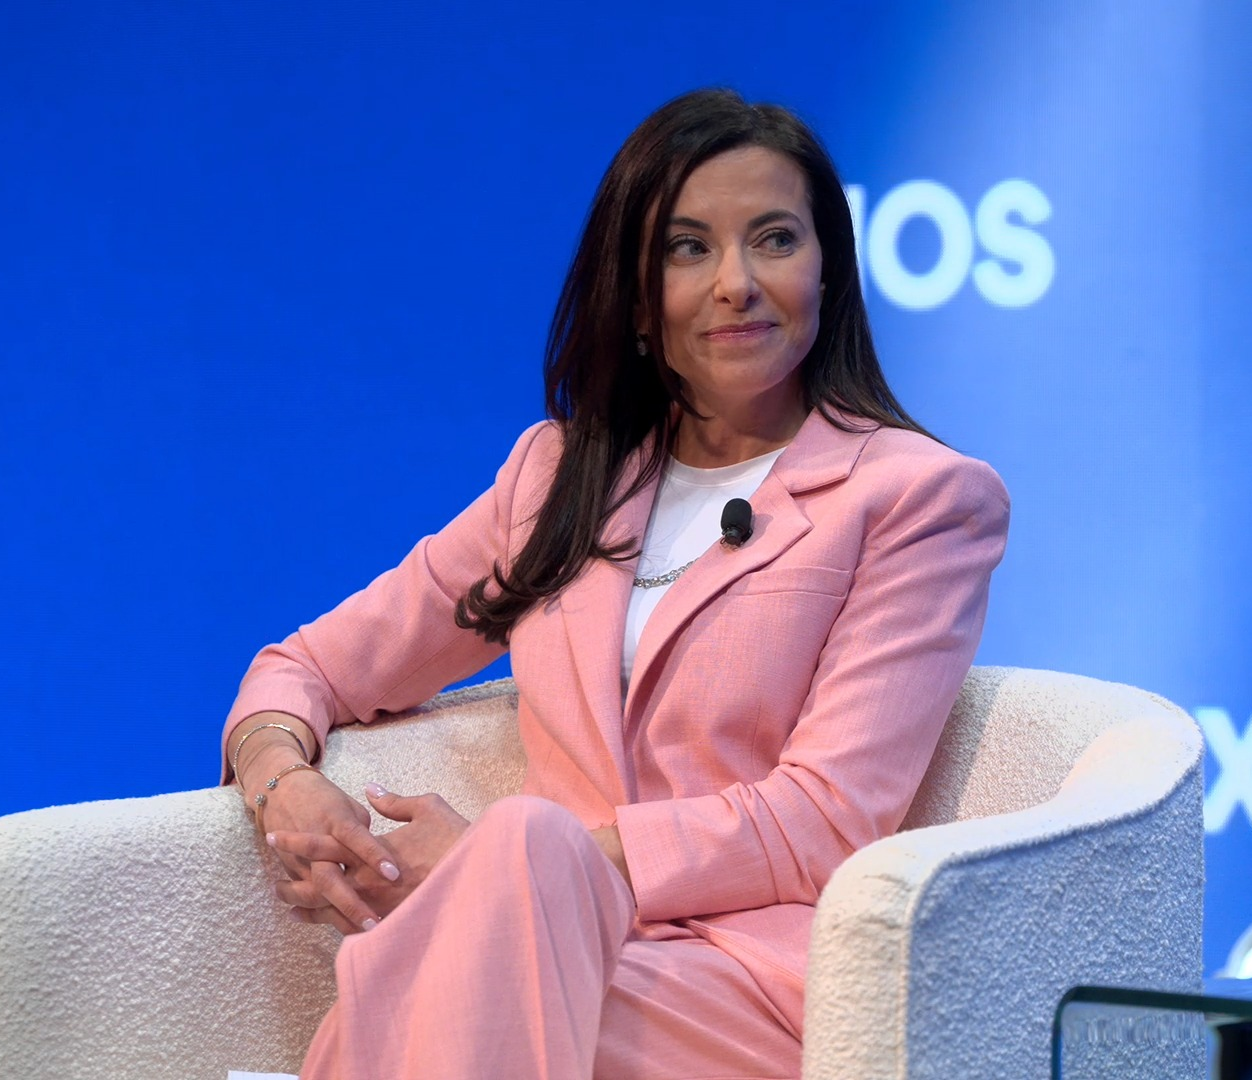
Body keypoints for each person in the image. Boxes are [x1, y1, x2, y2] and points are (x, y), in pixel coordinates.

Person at [219, 87, 1010, 1080]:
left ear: (827, 272)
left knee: (467, 926)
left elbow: (824, 816)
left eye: (774, 240)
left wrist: (521, 871)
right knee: (469, 954)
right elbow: (308, 667)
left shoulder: (916, 498)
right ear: (636, 298)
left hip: (745, 979)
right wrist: (281, 780)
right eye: (688, 249)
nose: (736, 284)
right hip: (546, 954)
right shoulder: (560, 478)